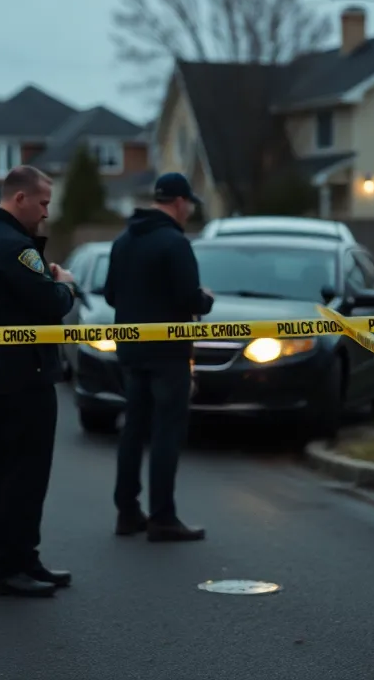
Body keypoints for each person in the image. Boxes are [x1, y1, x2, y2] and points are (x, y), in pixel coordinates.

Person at [0, 165, 78, 598]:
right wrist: (64, 284)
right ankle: (8, 567)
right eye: (43, 203)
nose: (46, 212)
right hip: (23, 377)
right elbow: (48, 303)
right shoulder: (11, 246)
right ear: (20, 198)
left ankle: (6, 560)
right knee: (22, 475)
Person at [104, 172, 214, 542]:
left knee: (133, 430)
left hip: (131, 352)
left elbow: (110, 294)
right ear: (180, 202)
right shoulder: (174, 243)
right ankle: (163, 516)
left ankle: (128, 511)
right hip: (168, 354)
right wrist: (205, 299)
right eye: (188, 206)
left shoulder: (123, 241)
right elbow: (188, 297)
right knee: (166, 431)